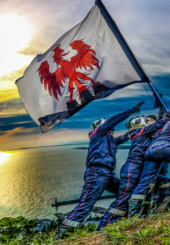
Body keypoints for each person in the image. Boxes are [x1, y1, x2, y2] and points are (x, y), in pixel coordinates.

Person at [54, 102, 144, 239]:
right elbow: (114, 120)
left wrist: (135, 130)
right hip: (96, 174)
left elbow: (125, 137)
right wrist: (131, 110)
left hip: (107, 174)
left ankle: (111, 222)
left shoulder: (110, 139)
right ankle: (63, 234)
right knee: (86, 204)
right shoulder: (98, 134)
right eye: (106, 125)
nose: (111, 128)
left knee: (125, 192)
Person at [97, 113, 170, 229]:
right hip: (132, 169)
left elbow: (159, 132)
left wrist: (163, 120)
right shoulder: (139, 132)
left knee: (158, 185)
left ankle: (142, 217)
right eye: (145, 122)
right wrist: (165, 118)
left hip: (137, 168)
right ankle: (102, 227)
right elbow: (156, 127)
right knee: (123, 199)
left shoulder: (143, 134)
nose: (147, 124)